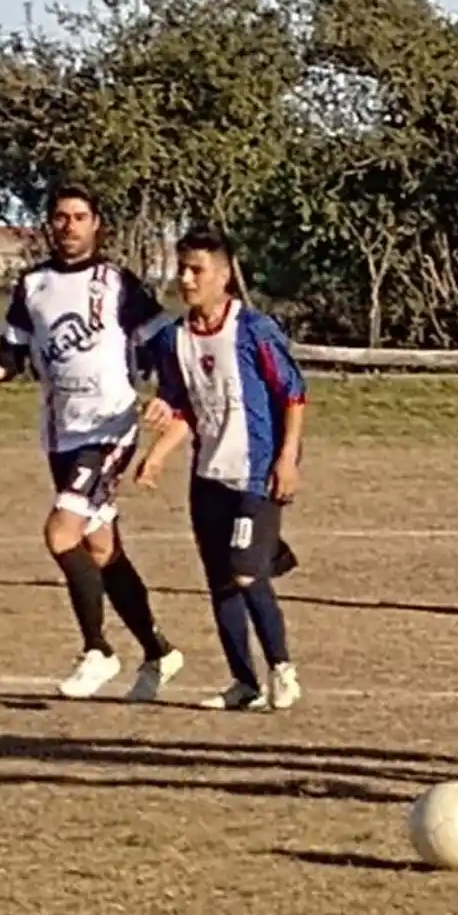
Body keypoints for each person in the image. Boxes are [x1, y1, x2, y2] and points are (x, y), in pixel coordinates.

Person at [0, 182, 184, 701]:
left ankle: (98, 651)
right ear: (50, 224)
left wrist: (166, 393)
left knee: (60, 532)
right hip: (61, 431)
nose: (69, 226)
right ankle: (159, 651)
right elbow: (15, 349)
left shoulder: (116, 283)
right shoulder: (33, 284)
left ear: (96, 224)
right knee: (100, 547)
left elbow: (161, 338)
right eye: (61, 217)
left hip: (109, 427)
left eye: (80, 217)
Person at [135, 225, 306, 712]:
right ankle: (243, 682)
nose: (186, 279)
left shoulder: (253, 330)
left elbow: (293, 394)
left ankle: (281, 669)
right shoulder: (174, 339)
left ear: (224, 275)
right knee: (221, 581)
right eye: (182, 269)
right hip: (208, 475)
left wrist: (288, 457)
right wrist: (158, 451)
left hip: (256, 474)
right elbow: (183, 407)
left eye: (197, 270)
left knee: (246, 572)